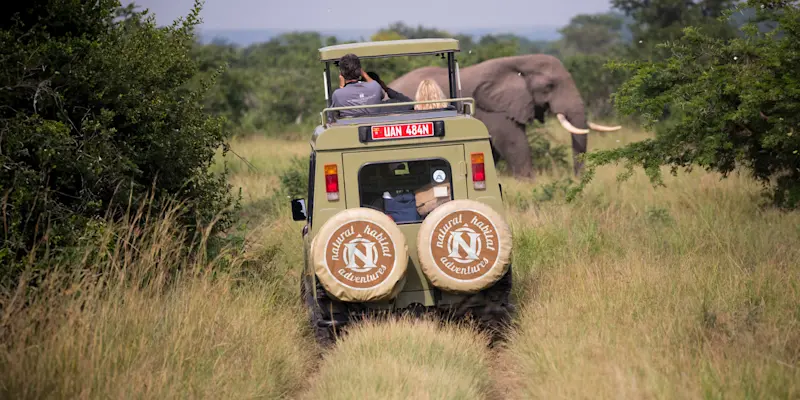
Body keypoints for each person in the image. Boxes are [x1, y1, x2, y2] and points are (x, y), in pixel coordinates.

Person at [330, 53, 383, 118]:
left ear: (341, 74)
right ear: (360, 70)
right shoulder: (375, 86)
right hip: (374, 122)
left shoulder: (338, 94)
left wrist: (341, 87)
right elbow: (380, 93)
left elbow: (334, 114)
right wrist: (363, 74)